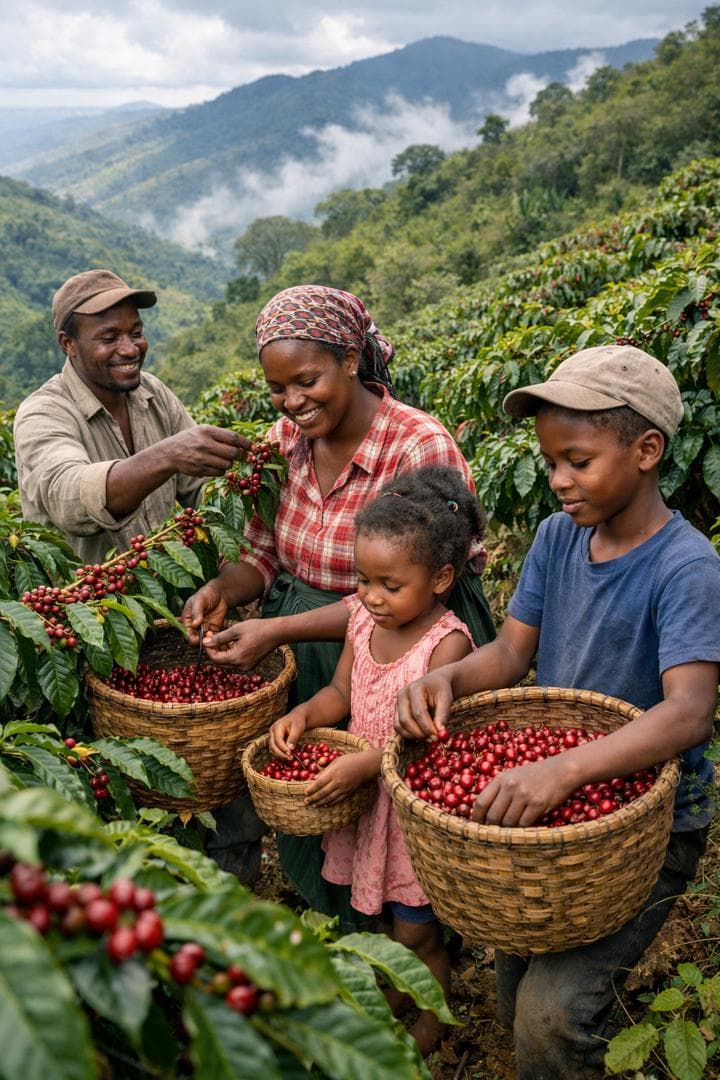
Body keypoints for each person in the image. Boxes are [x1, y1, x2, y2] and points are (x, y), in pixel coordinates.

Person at [394, 344, 720, 1079]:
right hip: (547, 807)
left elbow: (689, 714)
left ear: (645, 450)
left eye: (576, 459)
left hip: (643, 823)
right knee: (516, 984)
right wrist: (448, 680)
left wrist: (565, 770)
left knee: (552, 1017)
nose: (557, 480)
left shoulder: (686, 568)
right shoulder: (556, 538)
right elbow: (510, 654)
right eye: (549, 462)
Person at [182, 283, 495, 920]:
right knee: (321, 807)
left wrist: (279, 631)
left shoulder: (414, 446)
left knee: (403, 813)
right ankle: (345, 933)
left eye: (306, 380)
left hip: (402, 645)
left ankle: (418, 942)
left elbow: (421, 592)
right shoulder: (282, 446)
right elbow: (262, 554)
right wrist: (222, 589)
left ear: (350, 359)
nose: (292, 402)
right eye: (278, 389)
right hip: (315, 656)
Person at [268, 465, 480, 1053]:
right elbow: (342, 691)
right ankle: (398, 991)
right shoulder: (362, 620)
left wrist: (369, 764)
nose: (371, 597)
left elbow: (440, 748)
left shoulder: (448, 644)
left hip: (410, 813)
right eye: (363, 579)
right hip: (368, 804)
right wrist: (306, 714)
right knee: (383, 920)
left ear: (440, 578)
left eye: (390, 584)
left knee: (418, 930)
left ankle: (434, 1014)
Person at [13, 269, 246, 566]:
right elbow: (70, 499)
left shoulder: (153, 394)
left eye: (136, 333)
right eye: (109, 338)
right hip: (88, 607)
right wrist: (167, 455)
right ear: (67, 344)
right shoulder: (43, 413)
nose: (130, 349)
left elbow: (202, 489)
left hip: (170, 599)